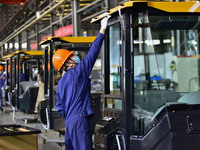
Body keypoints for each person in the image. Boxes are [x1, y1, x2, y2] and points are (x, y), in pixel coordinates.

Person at [52, 16, 110, 150]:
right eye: (71, 56)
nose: (74, 56)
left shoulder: (61, 82)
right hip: (79, 120)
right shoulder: (79, 72)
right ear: (67, 63)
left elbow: (60, 106)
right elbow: (93, 53)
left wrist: (71, 115)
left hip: (69, 122)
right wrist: (102, 29)